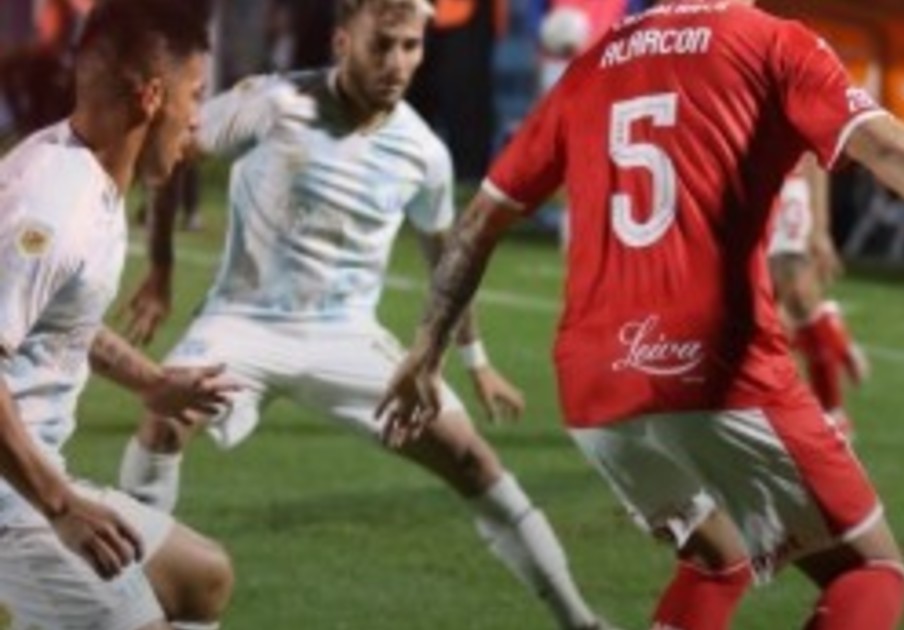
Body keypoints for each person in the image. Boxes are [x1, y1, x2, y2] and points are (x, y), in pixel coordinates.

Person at [377, 1, 904, 628]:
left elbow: (478, 222)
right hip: (712, 366)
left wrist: (427, 350)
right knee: (872, 571)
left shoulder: (594, 63)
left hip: (593, 387)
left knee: (720, 559)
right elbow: (885, 145)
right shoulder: (772, 41)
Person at [117, 1, 614, 628]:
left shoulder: (423, 152)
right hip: (242, 322)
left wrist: (476, 361)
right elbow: (170, 151)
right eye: (382, 45)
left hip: (347, 337)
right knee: (164, 420)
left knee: (472, 459)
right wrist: (160, 270)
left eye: (410, 46)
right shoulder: (274, 102)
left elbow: (448, 265)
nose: (397, 63)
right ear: (342, 42)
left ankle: (581, 621)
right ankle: (122, 605)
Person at [0, 1, 236, 628]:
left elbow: (60, 322)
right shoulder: (53, 209)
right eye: (195, 95)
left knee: (202, 577)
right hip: (11, 505)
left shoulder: (85, 180)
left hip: (27, 479)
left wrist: (152, 383)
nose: (198, 120)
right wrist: (60, 506)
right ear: (153, 97)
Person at [768, 154, 867, 436]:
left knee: (796, 294)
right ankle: (829, 326)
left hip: (786, 189)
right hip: (735, 189)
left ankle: (832, 413)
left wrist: (820, 228)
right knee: (765, 310)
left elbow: (814, 154)